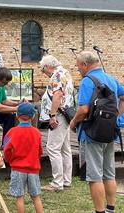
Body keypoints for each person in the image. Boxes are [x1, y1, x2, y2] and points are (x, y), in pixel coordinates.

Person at [70, 51, 124, 213]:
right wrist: (118, 117)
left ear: (85, 65)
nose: (78, 69)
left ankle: (99, 211)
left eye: (78, 65)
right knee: (109, 173)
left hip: (91, 133)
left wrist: (73, 122)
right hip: (110, 132)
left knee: (94, 176)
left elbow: (83, 110)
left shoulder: (87, 81)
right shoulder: (111, 79)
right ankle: (110, 209)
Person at [39, 55, 74, 191]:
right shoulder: (65, 72)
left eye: (43, 70)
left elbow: (58, 95)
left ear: (48, 66)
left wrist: (52, 115)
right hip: (66, 114)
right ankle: (66, 180)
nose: (44, 73)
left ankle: (57, 182)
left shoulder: (57, 75)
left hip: (59, 114)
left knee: (53, 148)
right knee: (65, 149)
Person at [3, 102, 44, 213]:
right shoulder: (37, 133)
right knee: (36, 197)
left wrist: (9, 160)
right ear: (33, 116)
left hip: (18, 169)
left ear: (17, 115)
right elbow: (40, 151)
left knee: (19, 197)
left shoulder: (11, 132)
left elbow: (6, 149)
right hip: (33, 169)